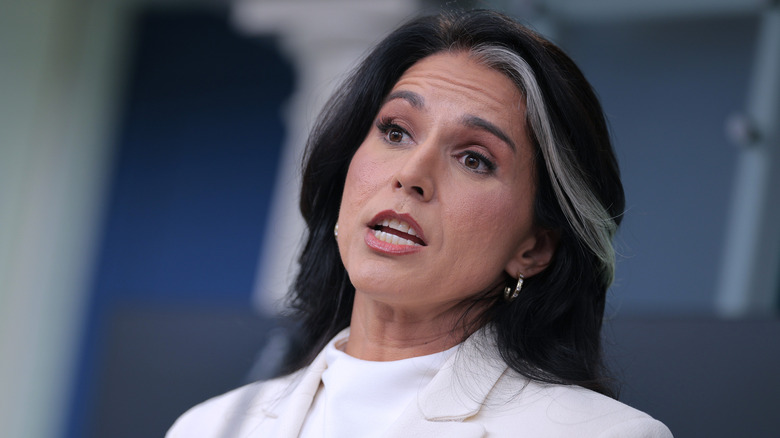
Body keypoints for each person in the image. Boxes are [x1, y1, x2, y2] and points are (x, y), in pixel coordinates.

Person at [168, 9, 672, 437]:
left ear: (535, 247)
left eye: (475, 159)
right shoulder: (210, 427)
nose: (411, 175)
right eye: (395, 131)